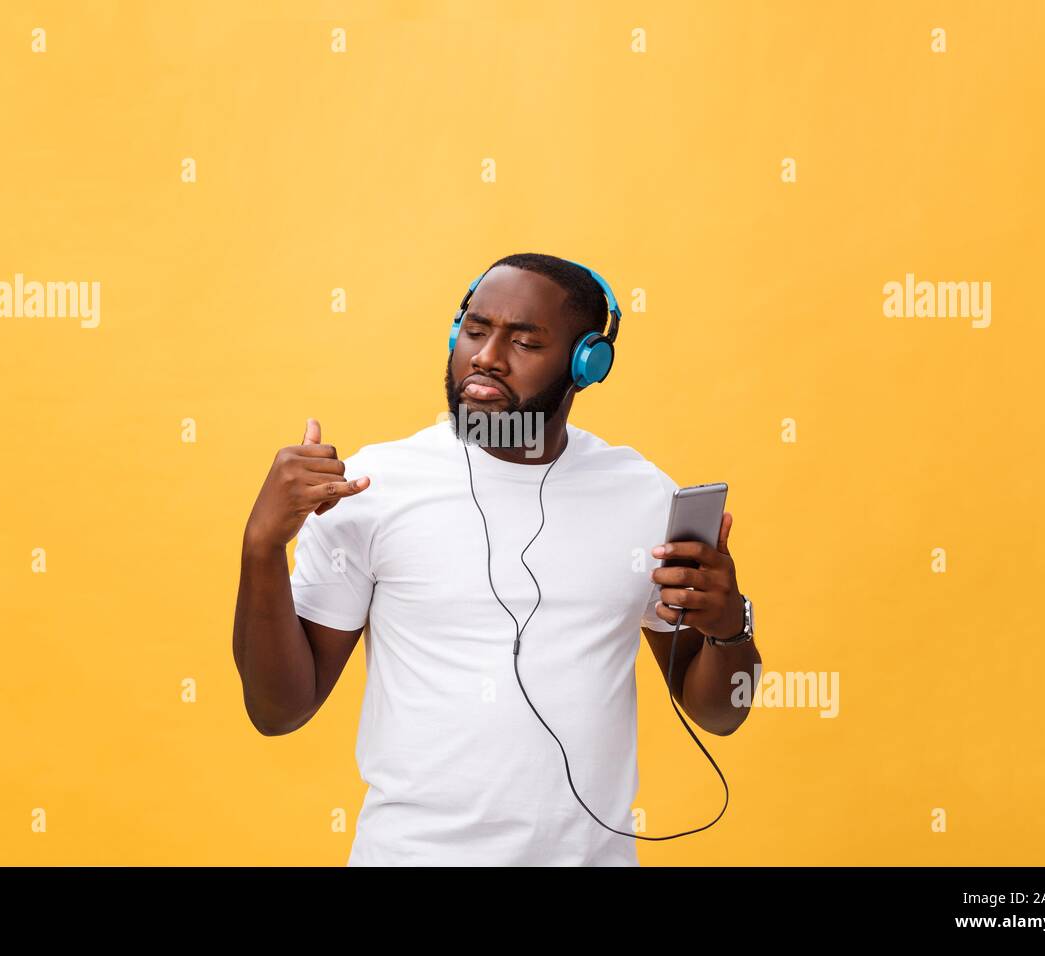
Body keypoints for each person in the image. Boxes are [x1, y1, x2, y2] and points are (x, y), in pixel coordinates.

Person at [233, 253, 760, 865]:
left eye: (525, 341)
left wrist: (729, 629)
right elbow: (278, 711)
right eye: (476, 330)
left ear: (587, 364)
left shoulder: (642, 495)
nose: (485, 356)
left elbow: (721, 715)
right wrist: (262, 547)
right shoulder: (372, 489)